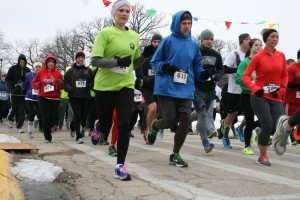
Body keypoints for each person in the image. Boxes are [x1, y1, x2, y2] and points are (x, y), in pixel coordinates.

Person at [91, 0, 142, 180]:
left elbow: (135, 63)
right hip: (104, 85)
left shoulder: (134, 36)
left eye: (127, 11)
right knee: (106, 123)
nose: (124, 14)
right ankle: (98, 127)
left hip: (125, 85)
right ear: (114, 13)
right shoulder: (105, 33)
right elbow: (95, 61)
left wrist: (147, 55)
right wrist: (116, 62)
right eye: (120, 10)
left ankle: (120, 165)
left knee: (124, 124)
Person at [148, 10, 203, 167]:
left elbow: (197, 66)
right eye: (183, 23)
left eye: (189, 24)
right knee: (170, 121)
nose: (186, 26)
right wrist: (168, 68)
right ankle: (156, 126)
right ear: (177, 24)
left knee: (185, 120)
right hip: (167, 88)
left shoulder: (193, 45)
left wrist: (203, 74)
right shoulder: (167, 41)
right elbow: (155, 62)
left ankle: (175, 154)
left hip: (186, 88)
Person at [242, 29, 288, 166]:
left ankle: (260, 132)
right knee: (267, 124)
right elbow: (245, 77)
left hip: (276, 96)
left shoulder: (281, 56)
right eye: (273, 37)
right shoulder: (258, 56)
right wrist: (256, 89)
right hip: (259, 96)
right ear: (266, 39)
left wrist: (282, 89)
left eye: (277, 37)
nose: (275, 39)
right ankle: (263, 156)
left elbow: (284, 76)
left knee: (277, 127)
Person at [189, 29, 223, 153]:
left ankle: (184, 118)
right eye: (207, 39)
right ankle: (205, 143)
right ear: (201, 40)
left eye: (211, 39)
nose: (209, 41)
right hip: (197, 88)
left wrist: (218, 75)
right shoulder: (195, 52)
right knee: (202, 114)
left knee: (199, 114)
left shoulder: (216, 55)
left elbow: (221, 69)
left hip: (210, 89)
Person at [221, 33, 251, 148]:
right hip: (235, 90)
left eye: (250, 39)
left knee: (250, 114)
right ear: (241, 41)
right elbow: (225, 68)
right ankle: (225, 136)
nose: (249, 41)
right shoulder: (235, 54)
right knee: (232, 114)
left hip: (248, 90)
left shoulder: (252, 55)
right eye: (247, 39)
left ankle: (240, 128)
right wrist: (239, 70)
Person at [236, 38, 262, 155]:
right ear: (251, 47)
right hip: (247, 95)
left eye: (260, 45)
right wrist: (250, 80)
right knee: (250, 121)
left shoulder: (262, 62)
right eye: (256, 45)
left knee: (267, 120)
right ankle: (247, 146)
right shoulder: (245, 62)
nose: (258, 47)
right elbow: (238, 79)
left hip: (260, 95)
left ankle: (253, 129)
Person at [135, 33, 162, 140]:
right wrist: (143, 79)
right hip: (147, 86)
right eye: (155, 42)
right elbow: (138, 66)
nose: (156, 44)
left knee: (158, 111)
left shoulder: (163, 56)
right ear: (151, 43)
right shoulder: (147, 54)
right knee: (152, 108)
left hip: (159, 87)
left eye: (159, 42)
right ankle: (147, 129)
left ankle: (153, 129)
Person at [32, 55, 64, 143]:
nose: (51, 63)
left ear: (55, 63)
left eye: (52, 62)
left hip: (55, 97)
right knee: (45, 117)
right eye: (49, 62)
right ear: (46, 63)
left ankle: (54, 124)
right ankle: (47, 137)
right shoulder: (41, 72)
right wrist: (37, 85)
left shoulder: (58, 73)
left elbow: (62, 87)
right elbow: (34, 82)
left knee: (54, 117)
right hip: (43, 97)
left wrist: (61, 83)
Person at [64, 51, 93, 144]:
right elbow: (66, 82)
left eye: (82, 57)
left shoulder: (88, 70)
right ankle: (78, 136)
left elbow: (93, 81)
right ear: (76, 59)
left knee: (83, 116)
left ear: (84, 59)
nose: (80, 59)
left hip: (85, 96)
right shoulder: (70, 71)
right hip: (74, 96)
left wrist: (90, 86)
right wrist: (70, 89)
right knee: (77, 115)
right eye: (78, 57)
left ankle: (73, 126)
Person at [6, 54, 31, 133]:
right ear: (18, 61)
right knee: (14, 110)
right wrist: (13, 85)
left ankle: (19, 127)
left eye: (23, 62)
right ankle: (10, 118)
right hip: (15, 93)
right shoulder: (13, 68)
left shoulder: (28, 70)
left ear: (25, 62)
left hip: (23, 94)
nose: (22, 63)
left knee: (21, 111)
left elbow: (29, 81)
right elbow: (8, 79)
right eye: (21, 61)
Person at [282, 50, 300, 145]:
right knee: (288, 121)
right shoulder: (292, 68)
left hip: (299, 101)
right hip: (291, 100)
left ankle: (295, 138)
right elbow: (288, 83)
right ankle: (281, 139)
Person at [21, 61, 43, 138]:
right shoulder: (29, 75)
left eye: (39, 67)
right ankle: (30, 131)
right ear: (34, 68)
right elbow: (23, 87)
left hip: (38, 97)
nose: (38, 68)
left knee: (40, 114)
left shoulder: (43, 75)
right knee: (32, 113)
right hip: (29, 97)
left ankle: (36, 119)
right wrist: (23, 81)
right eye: (36, 67)